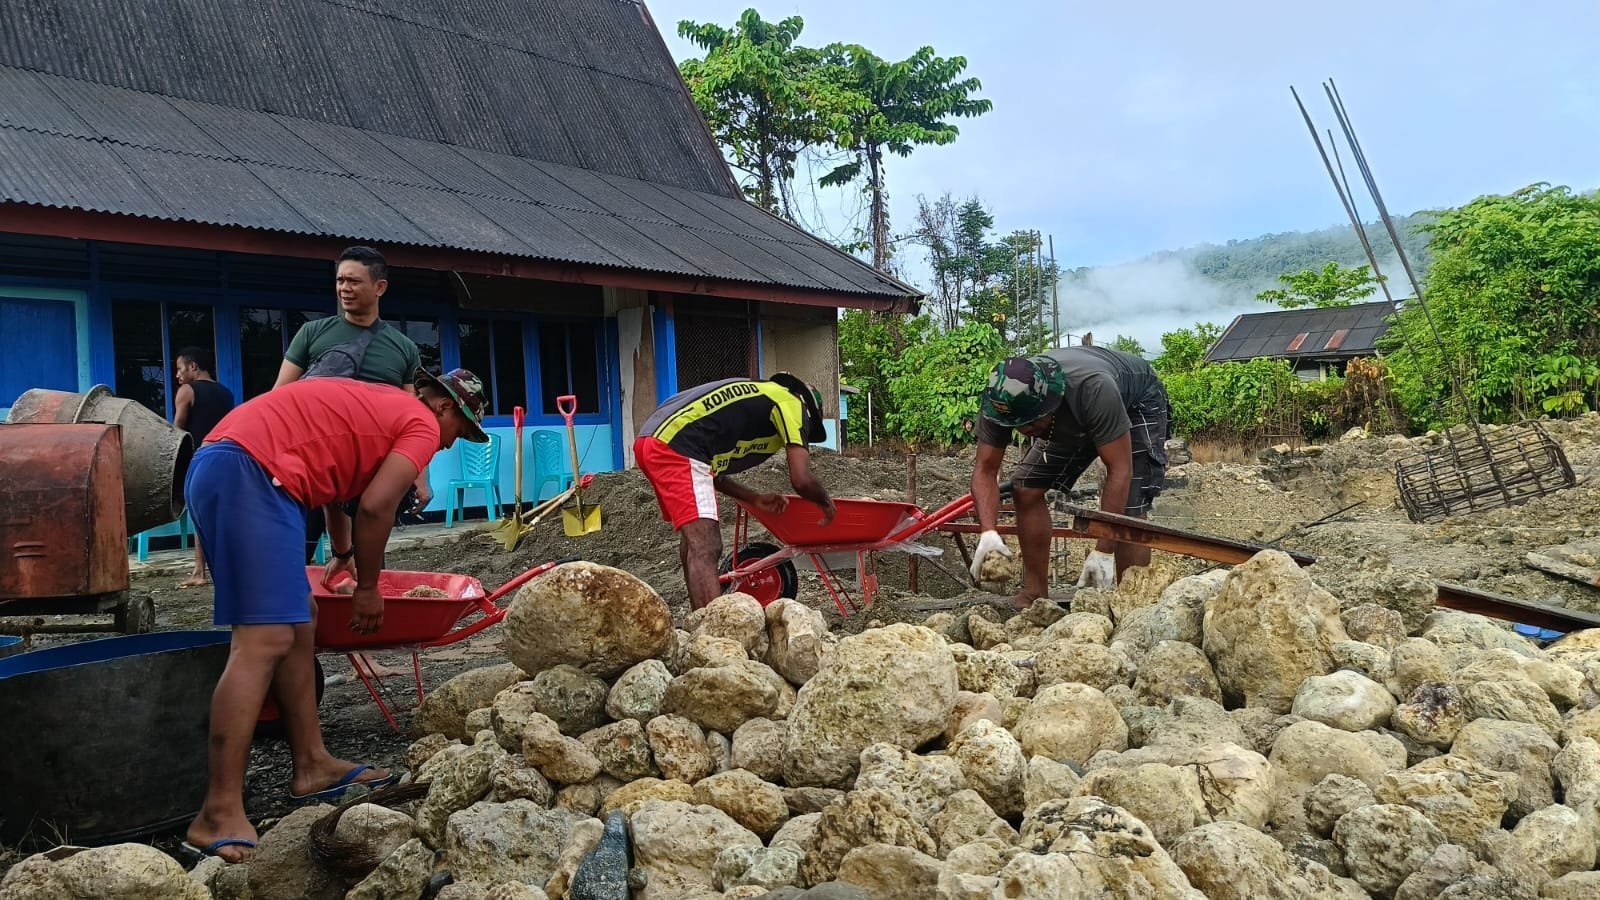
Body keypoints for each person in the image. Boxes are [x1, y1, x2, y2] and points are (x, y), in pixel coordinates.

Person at [181, 368, 489, 863]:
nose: (450, 445)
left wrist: (343, 553)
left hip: (244, 469)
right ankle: (216, 811)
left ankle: (312, 764)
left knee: (298, 617)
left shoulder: (379, 404)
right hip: (252, 474)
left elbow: (335, 490)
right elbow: (375, 507)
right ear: (446, 408)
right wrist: (368, 587)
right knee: (262, 641)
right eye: (459, 433)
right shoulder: (421, 423)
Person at [275, 245, 430, 678]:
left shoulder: (401, 348)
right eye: (340, 280)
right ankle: (293, 652)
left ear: (379, 287)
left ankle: (360, 645)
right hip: (305, 466)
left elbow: (413, 418)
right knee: (298, 560)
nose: (344, 288)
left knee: (366, 545)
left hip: (367, 467)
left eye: (354, 280)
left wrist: (420, 473)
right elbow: (280, 397)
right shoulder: (313, 335)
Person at [968, 347, 1170, 609]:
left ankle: (1132, 608)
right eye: (1017, 425)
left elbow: (1120, 469)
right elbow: (985, 470)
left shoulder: (1093, 388)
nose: (1024, 431)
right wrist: (988, 533)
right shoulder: (1002, 403)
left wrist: (1103, 551)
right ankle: (1034, 595)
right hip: (1070, 417)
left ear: (1048, 401)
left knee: (1131, 506)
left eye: (1030, 424)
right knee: (1025, 488)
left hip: (1137, 402)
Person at [634, 373, 837, 610]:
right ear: (809, 410)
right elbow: (801, 480)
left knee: (694, 540)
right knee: (707, 544)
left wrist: (753, 497)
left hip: (652, 440)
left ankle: (699, 621)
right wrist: (826, 503)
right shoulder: (790, 402)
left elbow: (714, 474)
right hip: (679, 444)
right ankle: (716, 632)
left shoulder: (758, 398)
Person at [172, 346, 234, 588]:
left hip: (200, 458)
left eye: (180, 368)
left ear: (193, 367)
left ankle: (200, 571)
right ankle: (229, 569)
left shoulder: (187, 391)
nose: (177, 375)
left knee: (200, 515)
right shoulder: (226, 393)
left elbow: (176, 431)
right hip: (227, 458)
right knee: (224, 515)